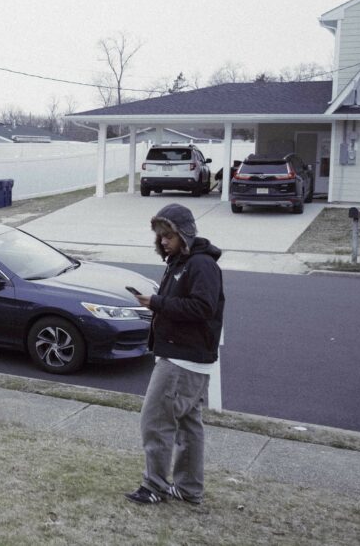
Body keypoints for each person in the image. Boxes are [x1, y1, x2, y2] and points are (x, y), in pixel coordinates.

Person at [125, 203, 225, 506]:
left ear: (184, 233)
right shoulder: (180, 263)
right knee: (189, 424)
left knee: (155, 421)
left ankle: (154, 486)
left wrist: (157, 303)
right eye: (160, 236)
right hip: (187, 357)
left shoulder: (201, 265)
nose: (164, 241)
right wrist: (156, 303)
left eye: (168, 235)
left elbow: (203, 308)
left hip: (183, 359)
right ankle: (189, 488)